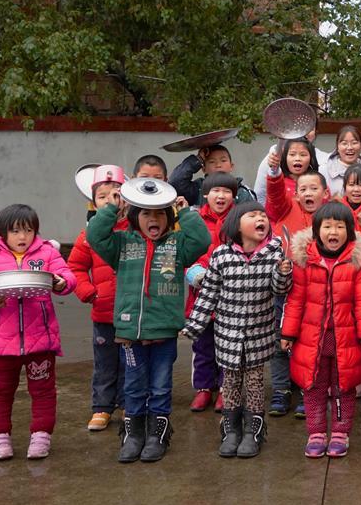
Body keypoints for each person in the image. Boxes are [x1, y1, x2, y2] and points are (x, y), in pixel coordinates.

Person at [86, 190, 210, 463]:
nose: (153, 219)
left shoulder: (178, 244)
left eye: (159, 214)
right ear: (134, 217)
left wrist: (184, 212)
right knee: (133, 385)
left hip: (164, 331)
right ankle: (133, 435)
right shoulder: (121, 244)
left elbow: (202, 240)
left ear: (169, 218)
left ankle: (157, 435)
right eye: (145, 213)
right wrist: (111, 208)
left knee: (160, 385)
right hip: (130, 332)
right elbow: (94, 236)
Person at [0, 204, 77, 461]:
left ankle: (41, 436)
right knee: (1, 392)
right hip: (2, 343)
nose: (22, 237)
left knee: (44, 391)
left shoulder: (47, 253)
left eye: (28, 230)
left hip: (41, 341)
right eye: (15, 231)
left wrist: (61, 282)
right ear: (3, 233)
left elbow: (67, 276)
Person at [183, 202, 293, 459]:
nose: (260, 218)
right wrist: (195, 325)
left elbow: (280, 290)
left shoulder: (275, 253)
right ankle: (231, 430)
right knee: (230, 383)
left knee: (255, 383)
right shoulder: (221, 255)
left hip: (259, 334)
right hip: (227, 334)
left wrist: (283, 273)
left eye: (263, 215)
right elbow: (208, 294)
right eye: (252, 215)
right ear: (236, 225)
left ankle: (253, 431)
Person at [281, 203, 361, 458]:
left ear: (350, 231)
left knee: (343, 386)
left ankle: (340, 432)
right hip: (312, 338)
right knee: (314, 386)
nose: (333, 232)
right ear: (316, 230)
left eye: (340, 227)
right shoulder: (305, 260)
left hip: (346, 337)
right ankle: (316, 432)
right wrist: (288, 333)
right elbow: (296, 300)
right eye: (327, 226)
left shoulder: (357, 261)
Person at [265, 148, 331, 418]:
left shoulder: (331, 215)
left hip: (317, 291)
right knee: (279, 340)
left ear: (325, 193)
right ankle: (281, 390)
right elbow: (274, 193)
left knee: (311, 343)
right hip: (285, 288)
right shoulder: (285, 208)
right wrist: (273, 171)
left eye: (314, 188)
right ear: (295, 194)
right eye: (302, 189)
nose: (308, 193)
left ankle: (309, 390)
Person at [68, 166, 127, 431]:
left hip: (133, 311)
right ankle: (102, 407)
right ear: (93, 203)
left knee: (130, 362)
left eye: (116, 194)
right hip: (103, 311)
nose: (109, 201)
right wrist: (88, 291)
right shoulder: (88, 235)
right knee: (105, 363)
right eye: (102, 197)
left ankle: (128, 404)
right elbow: (75, 267)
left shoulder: (135, 231)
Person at [183, 172, 241, 414]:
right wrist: (194, 272)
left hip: (231, 299)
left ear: (234, 196)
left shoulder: (240, 220)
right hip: (201, 297)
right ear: (206, 194)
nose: (221, 196)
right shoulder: (194, 220)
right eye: (216, 191)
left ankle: (226, 389)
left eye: (227, 191)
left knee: (229, 348)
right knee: (203, 348)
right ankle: (204, 388)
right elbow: (185, 253)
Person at [254, 127, 330, 204]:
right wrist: (274, 168)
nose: (297, 158)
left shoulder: (320, 182)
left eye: (303, 155)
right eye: (292, 154)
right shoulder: (278, 183)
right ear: (284, 157)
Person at [168, 144, 256, 206]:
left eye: (223, 160)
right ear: (203, 169)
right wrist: (198, 159)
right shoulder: (198, 189)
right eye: (212, 162)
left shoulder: (241, 192)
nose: (218, 165)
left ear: (231, 166)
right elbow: (175, 182)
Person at [320, 125, 361, 196]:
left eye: (354, 143)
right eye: (344, 143)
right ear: (337, 147)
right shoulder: (323, 171)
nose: (349, 147)